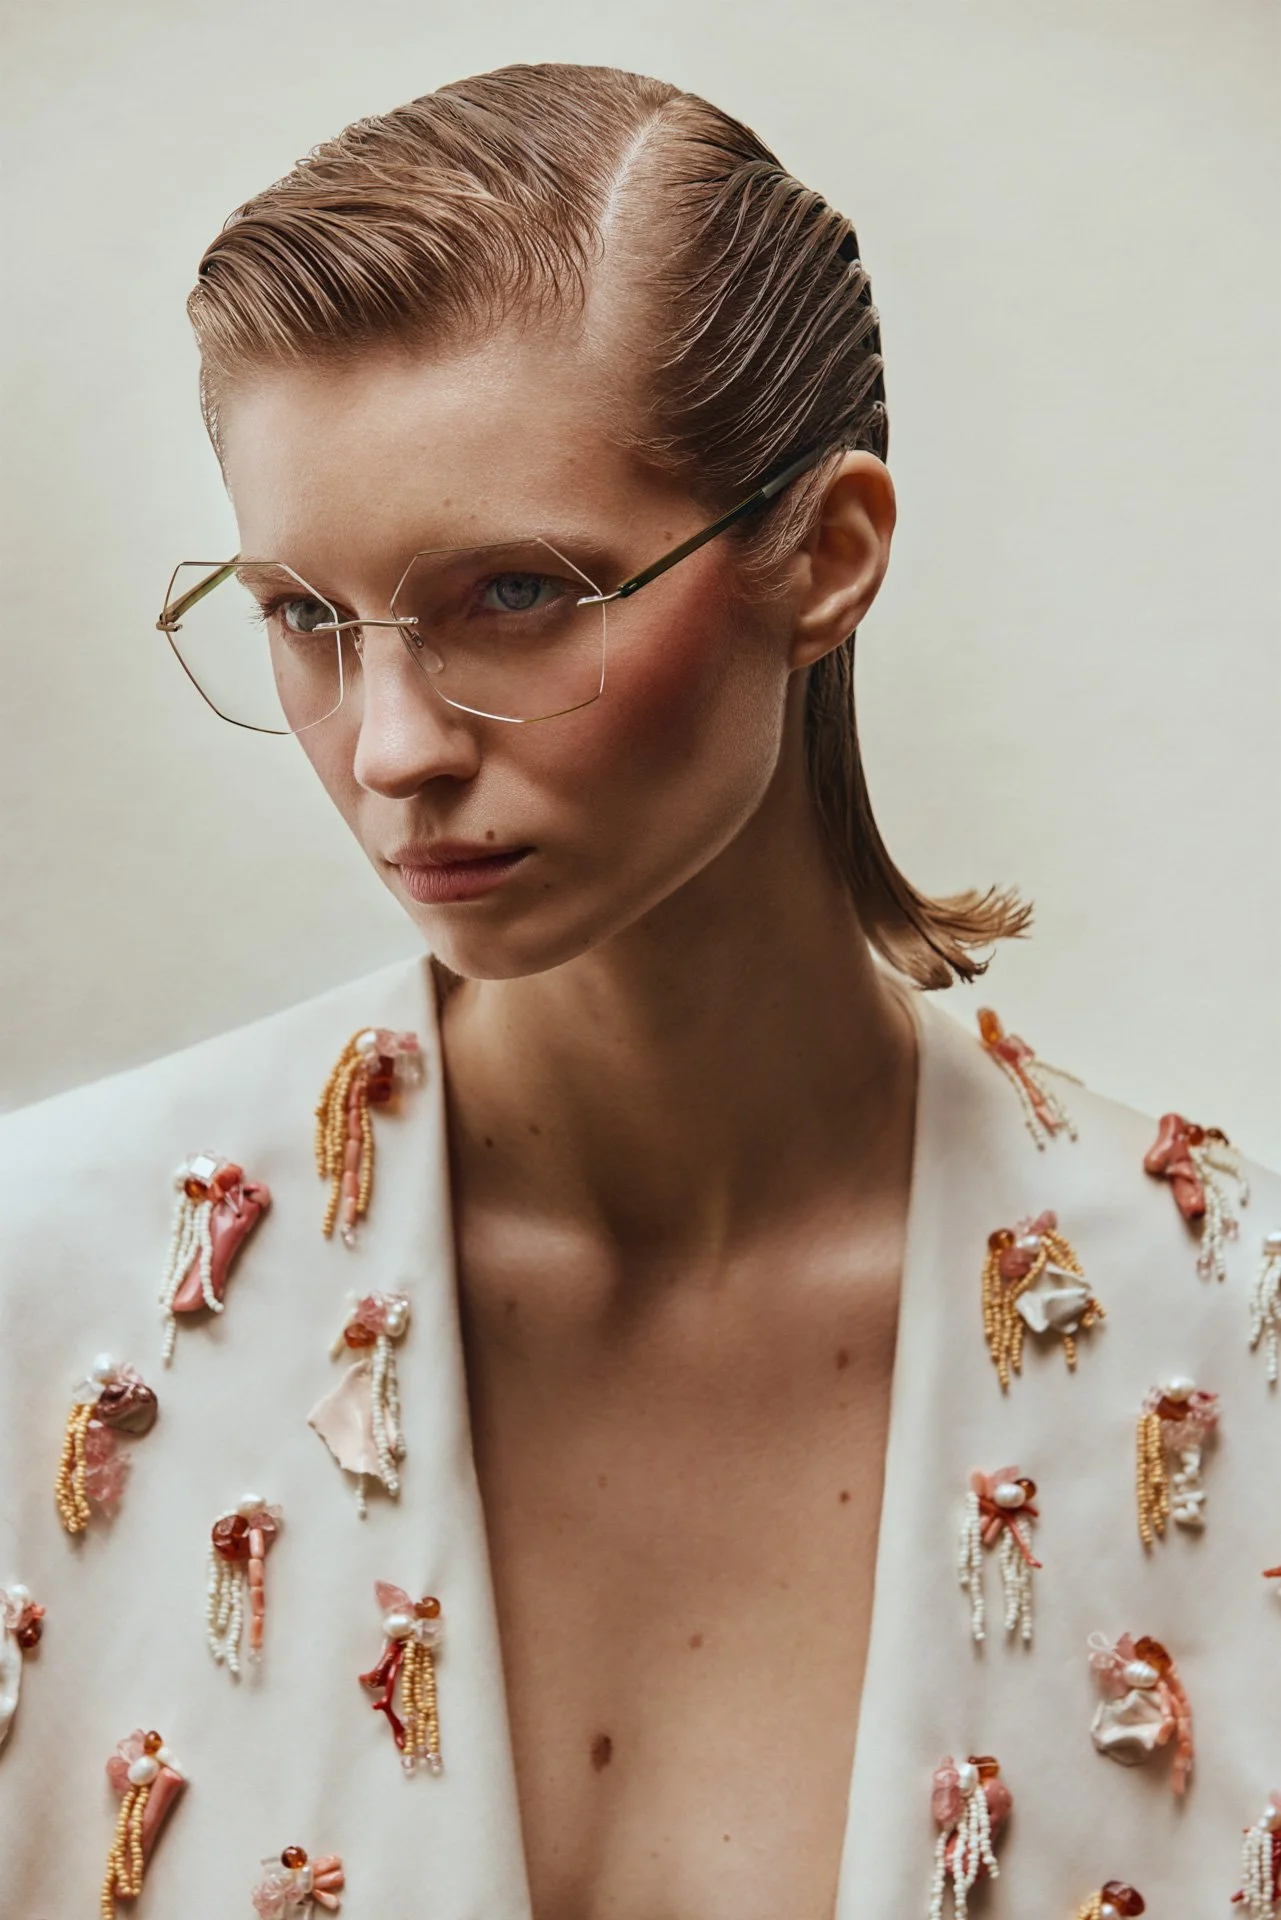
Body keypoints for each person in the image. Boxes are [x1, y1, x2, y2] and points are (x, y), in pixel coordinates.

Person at [0, 62, 1274, 1920]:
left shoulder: (1223, 1349)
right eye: (302, 617)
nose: (393, 749)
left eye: (514, 592)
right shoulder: (47, 1300)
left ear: (825, 557)